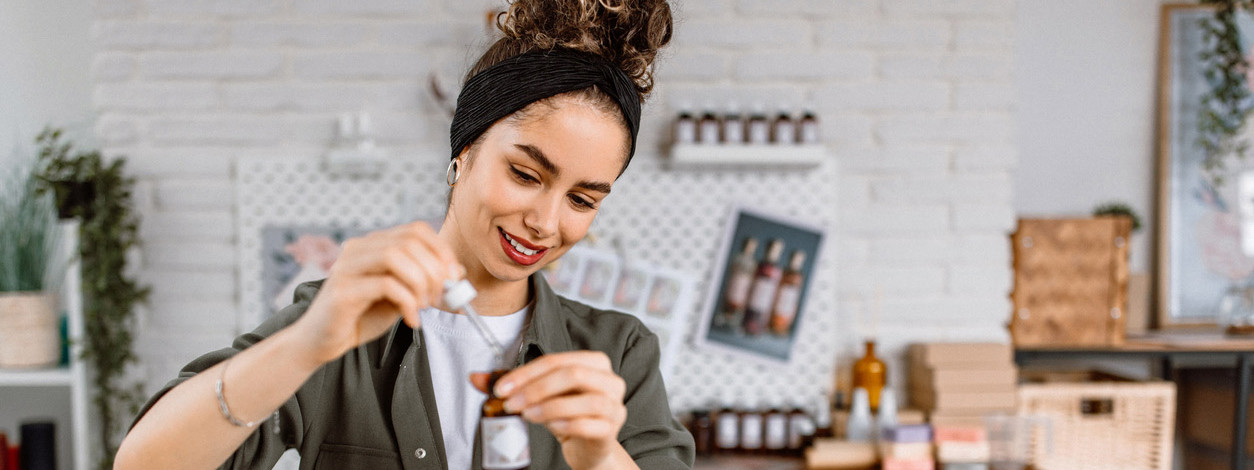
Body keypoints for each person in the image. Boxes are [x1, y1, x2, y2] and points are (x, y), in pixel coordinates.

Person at [114, 0, 692, 468]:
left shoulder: (617, 352)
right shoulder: (339, 323)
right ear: (465, 150)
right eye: (524, 174)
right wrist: (306, 343)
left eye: (582, 199)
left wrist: (598, 457)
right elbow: (143, 464)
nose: (545, 222)